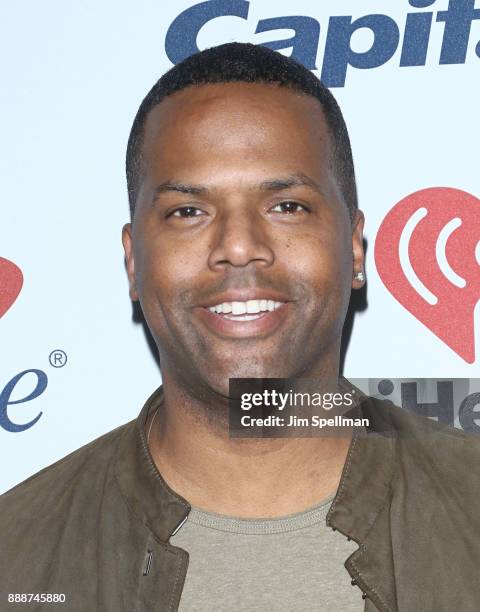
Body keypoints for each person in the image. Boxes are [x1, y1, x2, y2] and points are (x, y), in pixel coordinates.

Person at [1, 42, 479, 612]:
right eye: (188, 211)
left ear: (354, 247)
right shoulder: (17, 557)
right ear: (134, 261)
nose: (238, 247)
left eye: (287, 206)